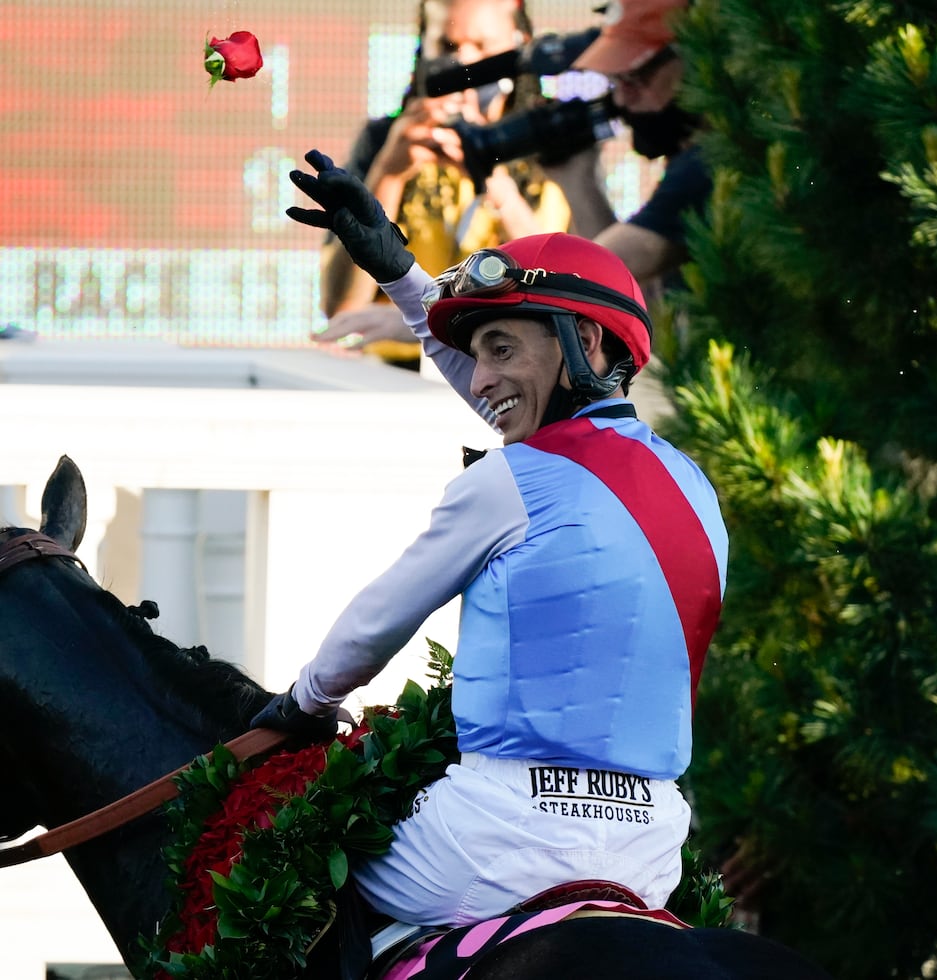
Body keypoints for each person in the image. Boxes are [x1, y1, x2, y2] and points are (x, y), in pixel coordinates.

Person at [253, 150, 728, 928]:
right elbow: (541, 425)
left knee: (288, 875)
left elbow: (376, 623)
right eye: (476, 359)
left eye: (499, 351)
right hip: (651, 853)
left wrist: (306, 704)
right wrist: (401, 271)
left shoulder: (510, 482)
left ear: (591, 347)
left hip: (494, 840)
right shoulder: (695, 484)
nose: (478, 382)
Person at [316, 0, 570, 365]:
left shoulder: (550, 143)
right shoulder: (384, 141)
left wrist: (488, 171)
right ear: (425, 47)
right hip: (391, 374)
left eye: (482, 47)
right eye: (447, 47)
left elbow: (561, 298)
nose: (464, 64)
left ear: (520, 43)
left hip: (508, 375)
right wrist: (388, 173)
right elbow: (341, 308)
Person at [544, 0, 707, 287]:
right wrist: (577, 178)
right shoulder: (690, 161)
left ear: (698, 63)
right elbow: (636, 306)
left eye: (634, 76)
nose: (620, 100)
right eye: (615, 81)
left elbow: (593, 273)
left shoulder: (710, 164)